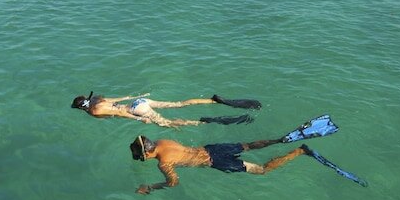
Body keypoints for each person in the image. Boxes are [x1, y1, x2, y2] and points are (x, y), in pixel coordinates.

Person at [129, 134, 312, 194]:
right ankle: (281, 140)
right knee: (248, 146)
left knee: (261, 170)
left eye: (141, 156)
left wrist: (150, 187)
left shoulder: (164, 163)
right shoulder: (163, 141)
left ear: (147, 152)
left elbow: (173, 183)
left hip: (215, 161)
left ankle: (299, 151)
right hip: (212, 148)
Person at [70, 92, 260, 128]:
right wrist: (135, 96)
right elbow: (117, 100)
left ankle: (207, 121)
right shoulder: (97, 99)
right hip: (139, 101)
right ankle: (213, 101)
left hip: (136, 111)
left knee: (168, 124)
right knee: (178, 104)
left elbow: (120, 112)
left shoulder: (94, 111)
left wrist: (138, 119)